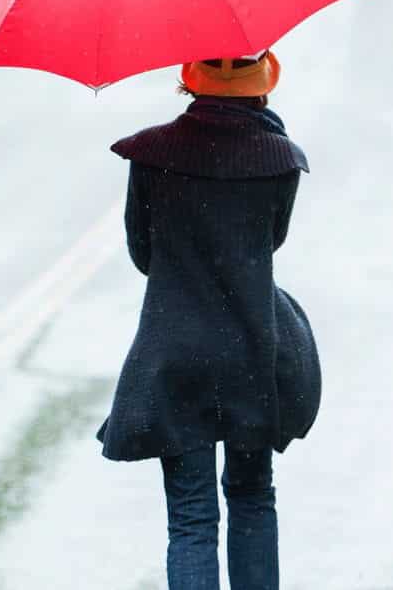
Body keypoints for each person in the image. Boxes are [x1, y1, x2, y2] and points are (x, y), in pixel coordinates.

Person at [96, 50, 321, 590]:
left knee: (191, 520)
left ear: (188, 78)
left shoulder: (150, 155)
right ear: (265, 78)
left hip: (174, 353)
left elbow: (143, 252)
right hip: (251, 350)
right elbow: (270, 244)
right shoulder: (280, 159)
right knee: (252, 496)